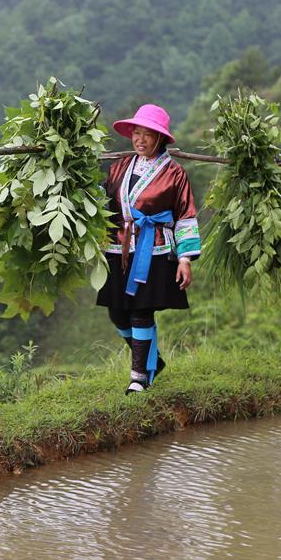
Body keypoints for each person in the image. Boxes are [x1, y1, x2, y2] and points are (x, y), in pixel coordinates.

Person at [96, 104, 201, 393]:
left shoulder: (174, 173)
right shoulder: (119, 167)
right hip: (119, 246)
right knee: (117, 313)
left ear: (161, 138)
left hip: (153, 248)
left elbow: (185, 214)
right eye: (136, 133)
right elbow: (104, 204)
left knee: (141, 310)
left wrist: (185, 258)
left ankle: (138, 377)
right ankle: (152, 358)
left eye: (147, 134)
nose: (140, 139)